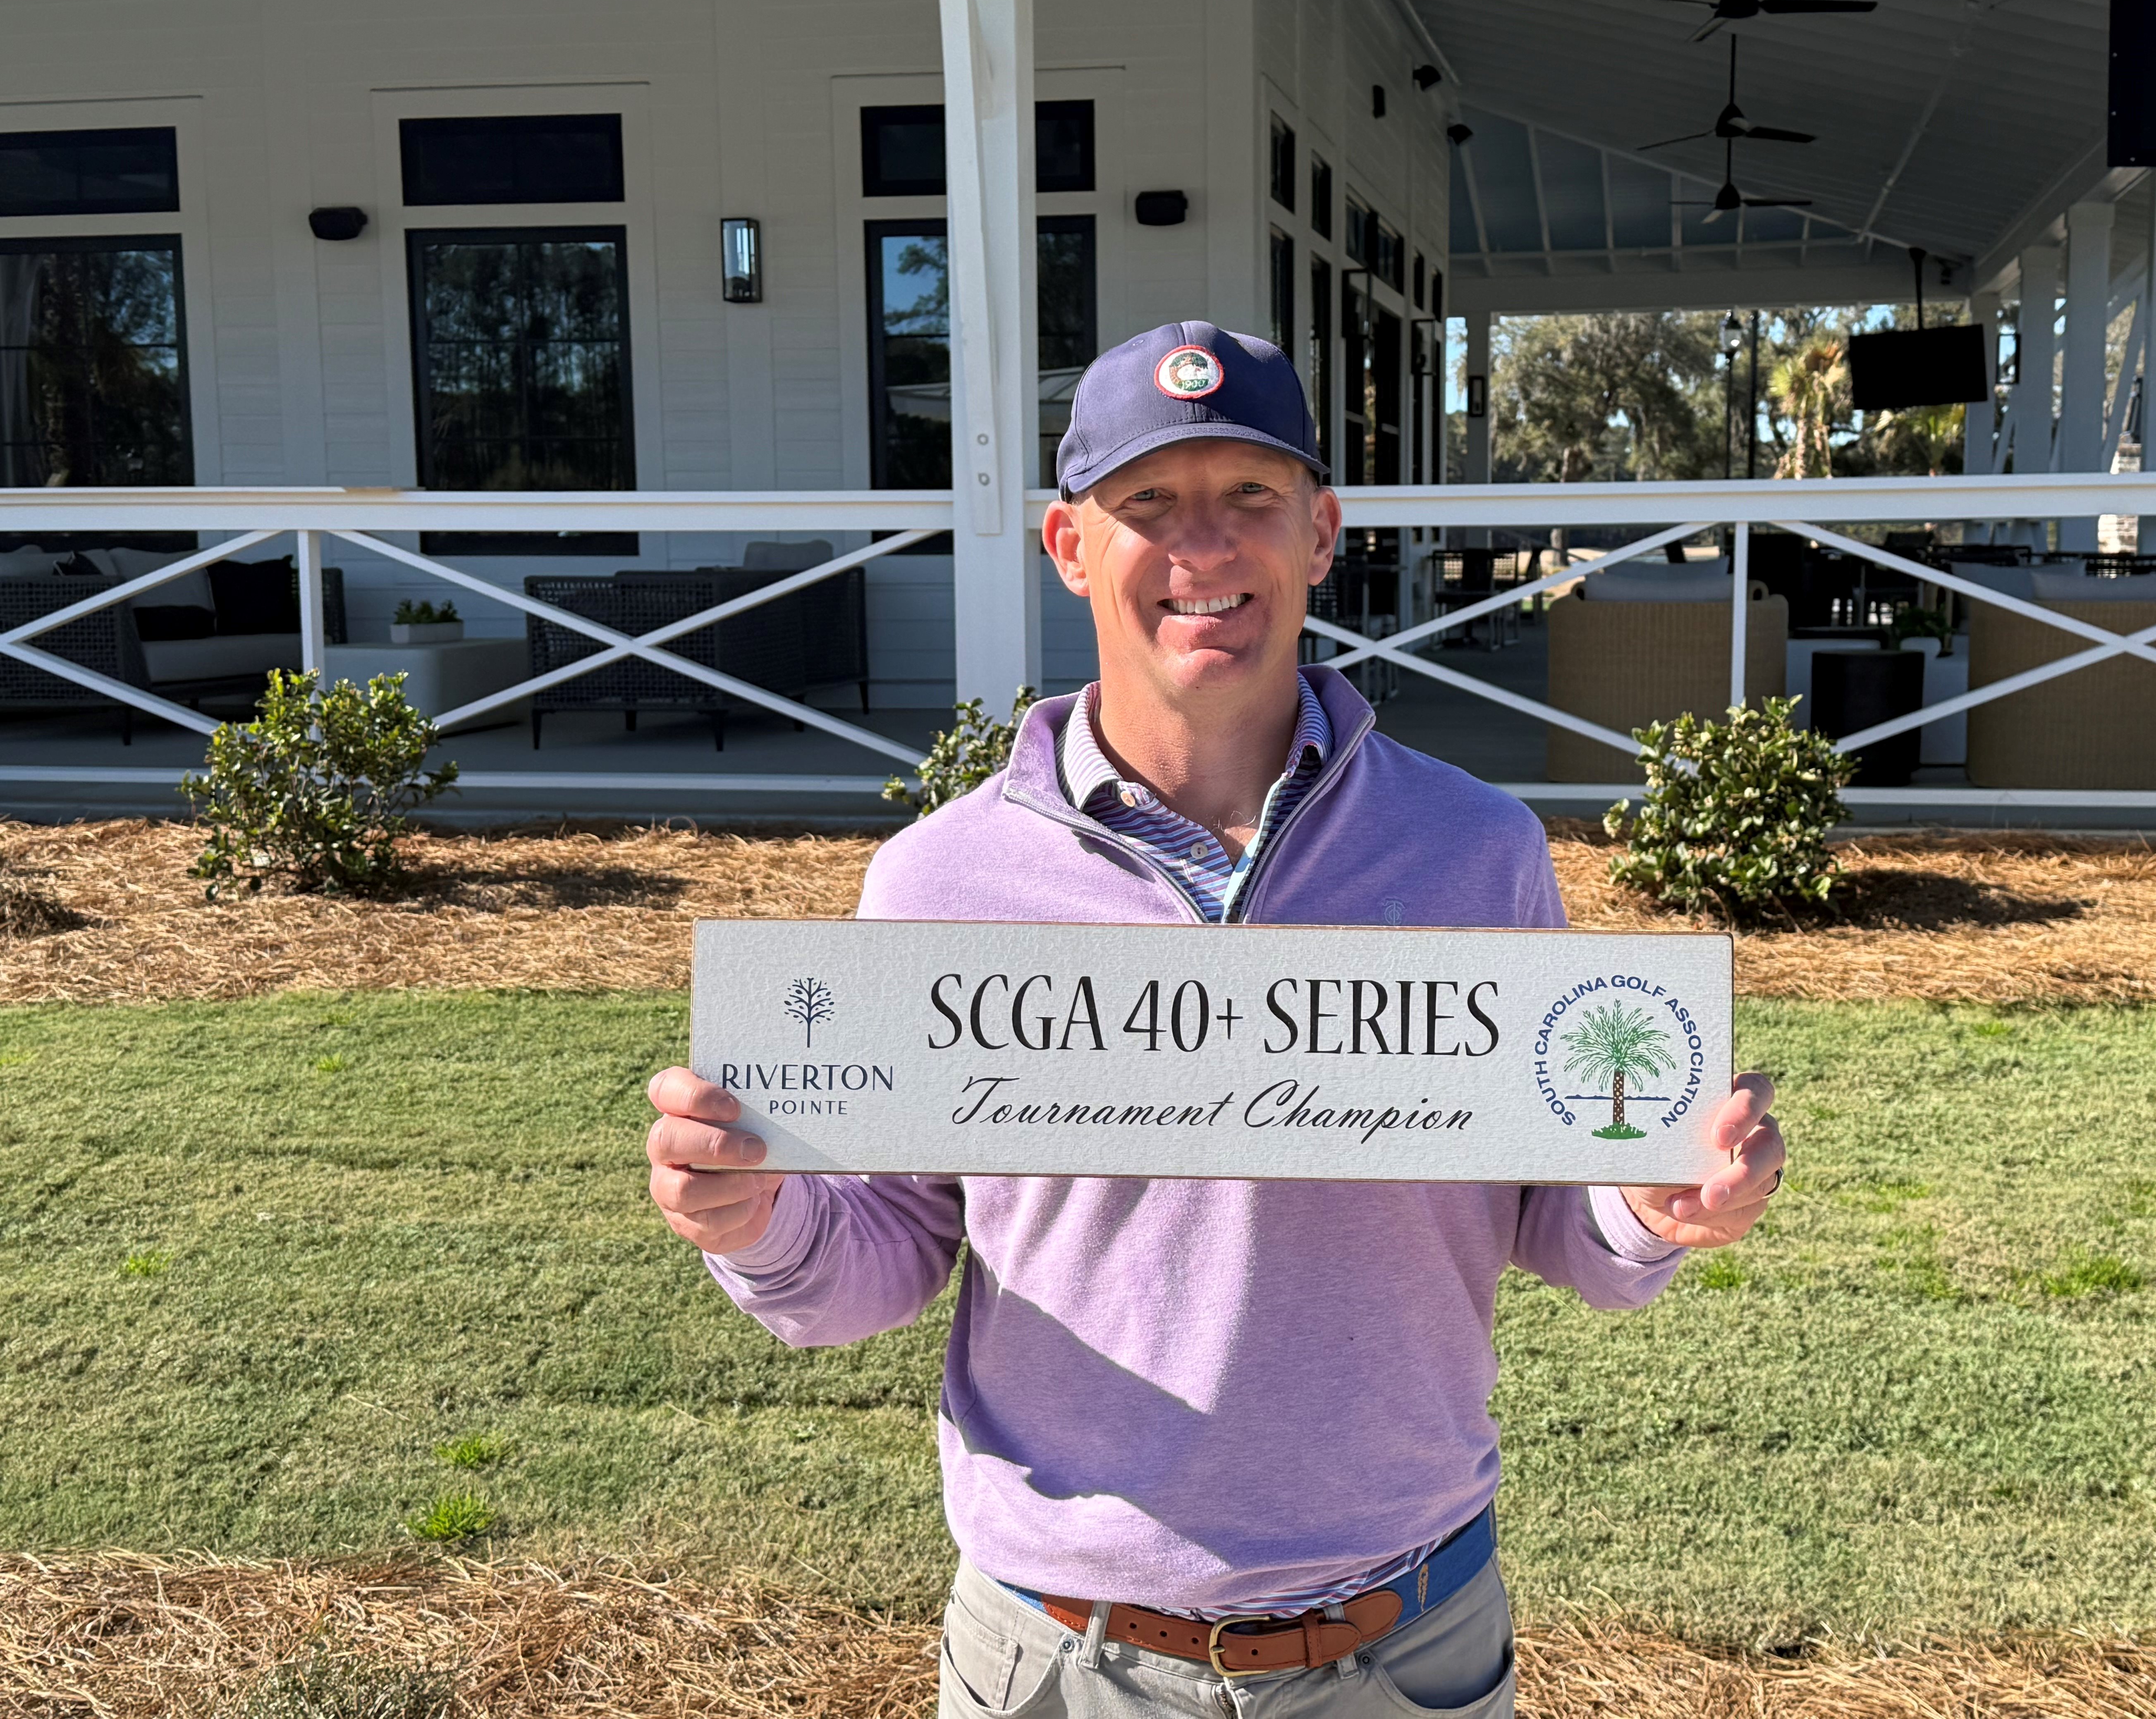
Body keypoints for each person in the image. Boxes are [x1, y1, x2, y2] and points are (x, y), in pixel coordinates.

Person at [645, 322, 1784, 1718]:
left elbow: (1551, 1210)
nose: (1204, 547)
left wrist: (1651, 1205)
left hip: (1407, 1647)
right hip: (1058, 1659)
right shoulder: (941, 878)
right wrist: (755, 1219)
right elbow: (880, 1258)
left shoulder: (1474, 849)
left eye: (1251, 496)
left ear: (1322, 533)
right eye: (1149, 504)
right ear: (1070, 544)